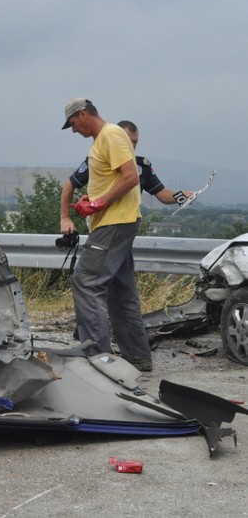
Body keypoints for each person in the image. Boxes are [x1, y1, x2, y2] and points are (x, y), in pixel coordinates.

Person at [60, 98, 152, 371]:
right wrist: (91, 199)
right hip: (119, 222)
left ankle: (98, 360)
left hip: (113, 224)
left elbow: (130, 177)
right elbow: (115, 181)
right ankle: (137, 357)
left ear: (83, 114)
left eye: (73, 123)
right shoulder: (102, 140)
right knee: (120, 291)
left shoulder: (111, 134)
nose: (74, 130)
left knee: (86, 283)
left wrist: (99, 204)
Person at [60, 120, 195, 234]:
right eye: (127, 141)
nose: (131, 146)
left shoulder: (141, 167)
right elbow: (70, 184)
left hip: (126, 226)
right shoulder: (100, 160)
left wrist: (183, 196)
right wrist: (65, 218)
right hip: (102, 225)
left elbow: (162, 194)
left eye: (135, 142)